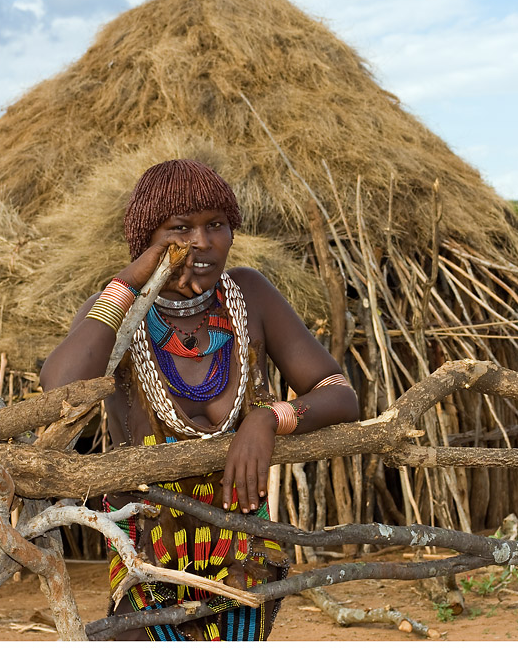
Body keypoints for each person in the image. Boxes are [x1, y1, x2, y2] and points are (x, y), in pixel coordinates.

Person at [40, 159, 360, 641]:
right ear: (147, 238)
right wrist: (130, 284)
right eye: (179, 229)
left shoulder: (250, 296)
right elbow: (58, 389)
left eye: (216, 225)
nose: (202, 243)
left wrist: (267, 420)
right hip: (146, 549)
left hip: (241, 549)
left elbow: (339, 393)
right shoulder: (116, 314)